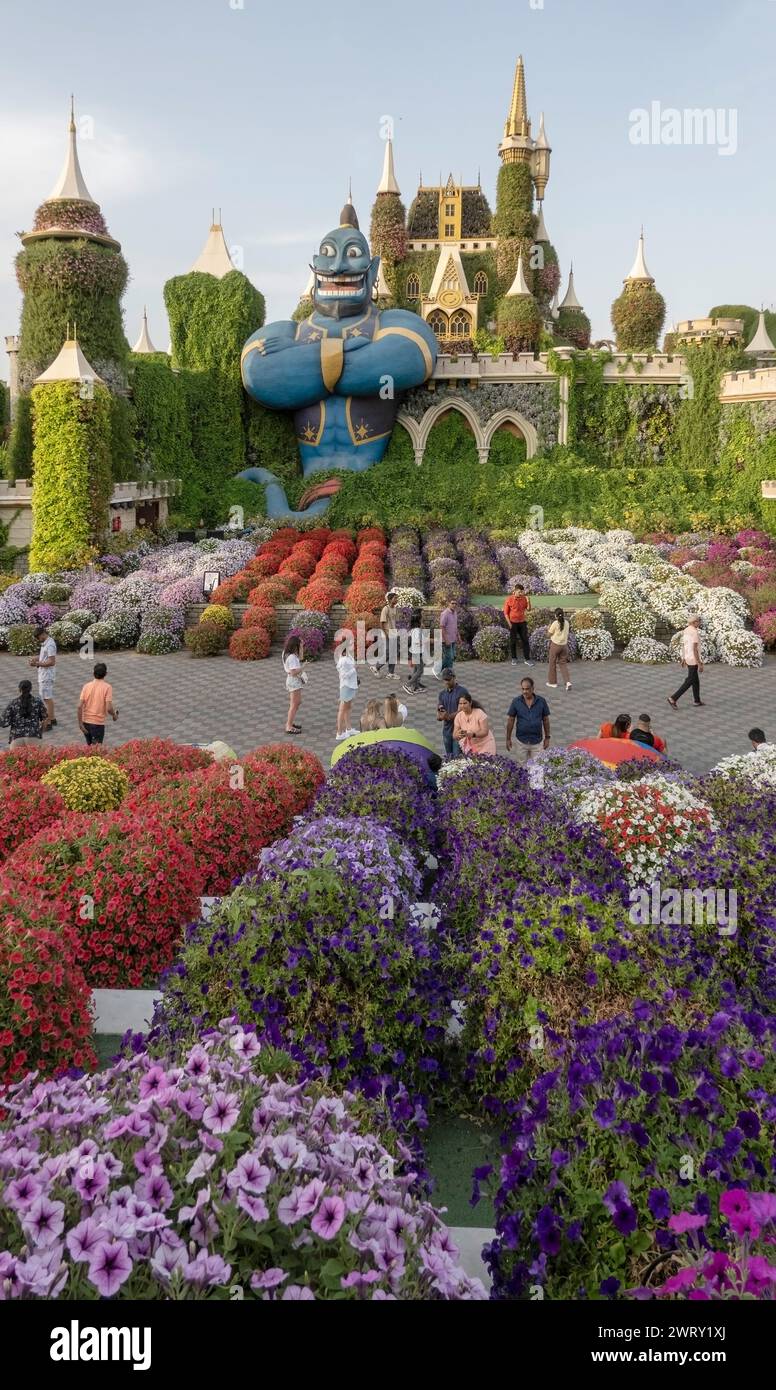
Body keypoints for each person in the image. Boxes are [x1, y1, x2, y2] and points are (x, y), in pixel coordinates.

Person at [506, 676, 551, 761]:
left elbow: (546, 720)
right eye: (523, 689)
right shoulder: (516, 701)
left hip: (537, 742)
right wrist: (508, 739)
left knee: (538, 766)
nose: (524, 692)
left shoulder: (541, 701)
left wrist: (547, 738)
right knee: (522, 767)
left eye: (527, 689)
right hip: (521, 742)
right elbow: (511, 720)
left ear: (533, 688)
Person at [77, 662, 119, 745]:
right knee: (96, 750)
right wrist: (114, 715)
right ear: (106, 674)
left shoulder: (86, 686)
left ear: (93, 673)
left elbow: (79, 707)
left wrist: (80, 724)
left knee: (89, 748)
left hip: (86, 723)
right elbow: (109, 708)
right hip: (98, 724)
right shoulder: (107, 687)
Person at [668, 614, 704, 708]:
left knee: (695, 680)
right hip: (693, 659)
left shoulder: (686, 630)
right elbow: (694, 649)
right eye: (698, 621)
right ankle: (673, 698)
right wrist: (699, 663)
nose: (699, 623)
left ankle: (697, 701)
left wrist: (683, 658)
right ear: (694, 622)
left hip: (688, 658)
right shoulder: (695, 633)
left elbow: (684, 645)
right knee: (690, 681)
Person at [0, 679, 50, 745]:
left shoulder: (13, 703)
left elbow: (4, 723)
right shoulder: (37, 702)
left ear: (19, 690)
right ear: (31, 689)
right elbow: (45, 718)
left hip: (16, 738)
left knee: (14, 755)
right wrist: (40, 731)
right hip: (33, 736)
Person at [436, 668, 470, 760]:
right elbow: (440, 709)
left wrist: (448, 716)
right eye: (445, 680)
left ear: (454, 678)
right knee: (449, 757)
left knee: (457, 757)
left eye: (449, 679)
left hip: (459, 730)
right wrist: (440, 716)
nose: (446, 682)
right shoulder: (442, 694)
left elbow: (463, 710)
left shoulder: (462, 692)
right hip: (447, 731)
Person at [29, 625, 57, 727]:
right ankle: (52, 718)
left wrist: (37, 664)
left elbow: (51, 661)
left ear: (42, 634)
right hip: (44, 674)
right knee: (47, 697)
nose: (38, 640)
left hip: (46, 675)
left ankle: (48, 722)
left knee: (46, 698)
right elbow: (44, 657)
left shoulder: (49, 645)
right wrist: (36, 658)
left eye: (38, 637)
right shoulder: (46, 643)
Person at [372, 590, 400, 679]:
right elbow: (382, 623)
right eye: (395, 598)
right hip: (387, 634)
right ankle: (376, 667)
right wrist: (386, 635)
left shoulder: (395, 609)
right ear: (390, 599)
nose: (397, 600)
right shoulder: (386, 609)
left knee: (394, 653)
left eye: (397, 598)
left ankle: (391, 673)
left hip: (394, 633)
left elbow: (395, 621)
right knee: (388, 653)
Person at [335, 641, 359, 740]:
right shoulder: (343, 660)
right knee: (342, 709)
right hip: (346, 686)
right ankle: (339, 733)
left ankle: (348, 729)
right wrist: (354, 669)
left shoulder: (349, 657)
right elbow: (343, 675)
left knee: (348, 707)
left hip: (351, 686)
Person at [282, 634, 306, 735]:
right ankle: (289, 726)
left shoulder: (286, 653)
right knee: (294, 704)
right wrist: (303, 667)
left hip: (292, 681)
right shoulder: (292, 657)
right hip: (294, 681)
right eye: (300, 645)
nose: (301, 647)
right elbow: (293, 672)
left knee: (297, 703)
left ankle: (290, 723)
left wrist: (301, 648)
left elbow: (300, 657)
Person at [504, 583, 532, 666]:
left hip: (522, 622)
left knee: (525, 640)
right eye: (519, 592)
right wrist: (509, 624)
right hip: (513, 623)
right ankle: (514, 658)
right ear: (515, 591)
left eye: (522, 592)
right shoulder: (509, 599)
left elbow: (529, 609)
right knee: (513, 641)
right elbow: (505, 613)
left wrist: (528, 601)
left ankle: (527, 659)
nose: (521, 593)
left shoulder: (523, 598)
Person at [546, 607, 572, 692]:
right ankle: (567, 682)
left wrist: (548, 628)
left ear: (556, 616)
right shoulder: (567, 623)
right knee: (563, 664)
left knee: (552, 663)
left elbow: (548, 635)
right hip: (564, 646)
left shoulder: (555, 623)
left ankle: (553, 683)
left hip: (555, 646)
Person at [402, 611, 426, 694]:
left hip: (416, 652)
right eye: (421, 619)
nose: (422, 620)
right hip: (416, 653)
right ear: (418, 621)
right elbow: (417, 642)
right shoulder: (416, 630)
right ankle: (407, 684)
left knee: (416, 670)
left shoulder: (414, 630)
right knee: (420, 670)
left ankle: (415, 687)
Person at [435, 600, 458, 677]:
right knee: (450, 657)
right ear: (449, 604)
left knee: (451, 657)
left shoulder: (455, 613)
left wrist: (459, 636)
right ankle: (444, 672)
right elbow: (442, 627)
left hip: (453, 639)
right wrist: (446, 640)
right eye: (452, 603)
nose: (454, 605)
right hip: (446, 640)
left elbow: (455, 626)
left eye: (455, 603)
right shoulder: (445, 613)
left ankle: (443, 671)